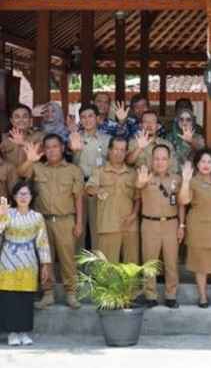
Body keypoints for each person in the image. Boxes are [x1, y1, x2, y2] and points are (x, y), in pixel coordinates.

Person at [18, 134, 84, 309]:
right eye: (47, 147)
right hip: (42, 222)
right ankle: (48, 294)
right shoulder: (37, 168)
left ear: (62, 148)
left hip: (66, 221)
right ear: (44, 151)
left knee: (68, 259)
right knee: (45, 260)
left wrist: (79, 223)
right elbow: (21, 173)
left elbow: (78, 198)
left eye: (55, 146)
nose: (51, 150)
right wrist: (30, 160)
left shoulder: (73, 170)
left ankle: (71, 293)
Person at [178, 149, 211, 308]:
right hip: (200, 230)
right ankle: (202, 297)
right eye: (202, 161)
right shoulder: (192, 181)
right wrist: (186, 181)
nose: (206, 165)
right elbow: (183, 200)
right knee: (200, 265)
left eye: (209, 162)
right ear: (197, 164)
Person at [0, 183, 51, 347]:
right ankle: (12, 333)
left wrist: (45, 264)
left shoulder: (37, 217)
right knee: (9, 298)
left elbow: (42, 242)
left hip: (29, 262)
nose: (23, 197)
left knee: (25, 299)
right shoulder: (8, 213)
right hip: (8, 261)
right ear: (14, 197)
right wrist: (1, 215)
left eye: (26, 194)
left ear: (31, 197)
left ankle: (24, 332)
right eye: (20, 194)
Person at [137, 144, 185, 308]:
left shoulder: (177, 179)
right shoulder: (145, 176)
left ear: (169, 160)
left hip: (171, 223)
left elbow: (181, 204)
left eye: (164, 158)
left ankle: (171, 295)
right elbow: (137, 188)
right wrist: (141, 182)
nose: (160, 162)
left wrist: (182, 225)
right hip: (150, 223)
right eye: (156, 158)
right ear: (151, 160)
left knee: (171, 262)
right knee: (149, 261)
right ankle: (150, 295)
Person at [84, 136, 140, 263]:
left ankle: (130, 285)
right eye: (115, 149)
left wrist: (134, 214)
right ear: (109, 150)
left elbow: (138, 197)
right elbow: (88, 188)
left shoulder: (133, 173)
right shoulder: (99, 171)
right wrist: (98, 190)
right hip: (108, 226)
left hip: (130, 227)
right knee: (107, 267)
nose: (118, 153)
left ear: (126, 153)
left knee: (131, 267)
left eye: (122, 150)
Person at [69, 104, 111, 250]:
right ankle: (79, 268)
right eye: (83, 117)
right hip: (79, 186)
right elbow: (72, 165)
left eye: (90, 116)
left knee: (97, 228)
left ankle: (97, 267)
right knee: (78, 227)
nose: (87, 120)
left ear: (98, 118)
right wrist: (76, 150)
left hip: (99, 187)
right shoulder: (75, 137)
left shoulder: (106, 139)